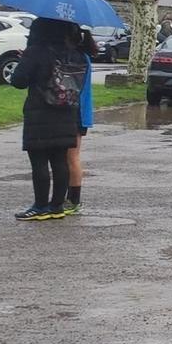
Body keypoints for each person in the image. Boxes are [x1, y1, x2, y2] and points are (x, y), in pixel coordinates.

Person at [9, 18, 86, 222]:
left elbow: (18, 81)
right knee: (60, 160)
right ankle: (57, 206)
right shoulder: (76, 55)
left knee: (39, 161)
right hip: (67, 111)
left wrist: (24, 59)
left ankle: (40, 205)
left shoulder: (36, 52)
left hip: (40, 111)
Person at [68, 27, 99, 214]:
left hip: (77, 113)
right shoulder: (83, 56)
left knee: (71, 157)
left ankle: (73, 200)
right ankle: (71, 198)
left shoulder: (77, 58)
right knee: (71, 157)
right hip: (81, 113)